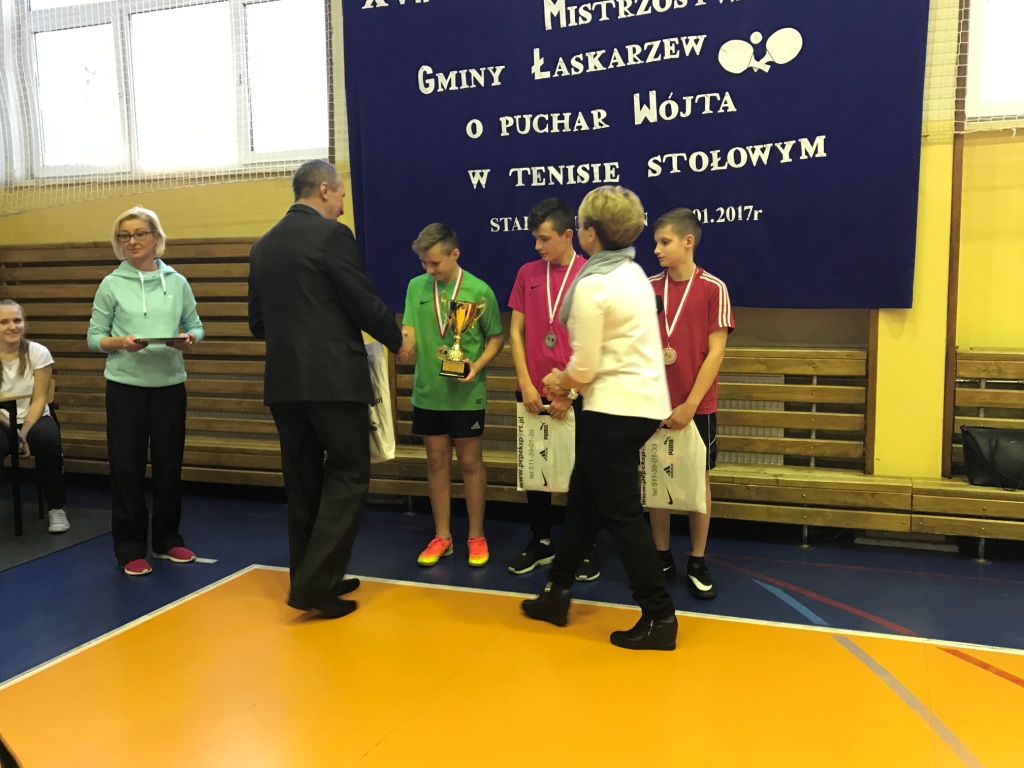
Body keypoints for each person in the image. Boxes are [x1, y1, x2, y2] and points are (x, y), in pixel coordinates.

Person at [521, 185, 677, 651]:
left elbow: (585, 367)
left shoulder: (593, 285)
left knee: (622, 513)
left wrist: (559, 380)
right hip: (638, 404)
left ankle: (659, 615)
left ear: (588, 233)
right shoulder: (631, 272)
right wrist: (572, 380)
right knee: (585, 498)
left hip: (614, 408)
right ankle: (557, 591)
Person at [248, 159, 402, 620]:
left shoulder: (263, 245)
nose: (342, 205)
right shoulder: (332, 236)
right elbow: (361, 300)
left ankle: (312, 576)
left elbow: (257, 323)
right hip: (333, 379)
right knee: (350, 472)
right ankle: (315, 584)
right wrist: (397, 340)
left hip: (284, 382)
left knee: (303, 482)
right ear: (323, 190)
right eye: (340, 195)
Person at [87, 206, 204, 576]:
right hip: (126, 389)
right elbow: (94, 338)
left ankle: (167, 540)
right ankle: (130, 548)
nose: (132, 241)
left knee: (169, 466)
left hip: (170, 387)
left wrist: (189, 339)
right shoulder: (111, 284)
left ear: (156, 238)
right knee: (127, 469)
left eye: (140, 233)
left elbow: (196, 326)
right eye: (125, 236)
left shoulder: (177, 282)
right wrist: (120, 342)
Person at [397, 223, 504, 568]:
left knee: (470, 463)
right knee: (436, 461)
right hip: (428, 392)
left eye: (435, 263)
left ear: (455, 254)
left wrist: (477, 366)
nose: (429, 269)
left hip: (465, 392)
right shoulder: (416, 287)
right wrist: (403, 347)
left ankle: (476, 535)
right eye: (423, 263)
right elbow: (409, 330)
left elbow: (496, 338)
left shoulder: (479, 290)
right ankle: (442, 535)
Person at [506, 198, 600, 581]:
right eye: (534, 238)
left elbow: (598, 342)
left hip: (579, 394)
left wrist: (570, 394)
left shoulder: (590, 275)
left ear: (567, 234)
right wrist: (527, 383)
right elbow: (516, 332)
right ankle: (541, 540)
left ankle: (585, 546)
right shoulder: (527, 273)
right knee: (537, 470)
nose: (537, 246)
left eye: (544, 238)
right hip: (533, 391)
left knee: (582, 474)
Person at [647, 208, 734, 599]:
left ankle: (697, 559)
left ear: (688, 241)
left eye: (664, 242)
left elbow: (716, 352)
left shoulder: (713, 288)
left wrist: (689, 404)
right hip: (653, 406)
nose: (657, 249)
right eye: (655, 242)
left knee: (698, 481)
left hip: (697, 406)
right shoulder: (648, 288)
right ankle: (661, 554)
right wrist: (652, 400)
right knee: (657, 478)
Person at [0, 300, 69, 534]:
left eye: (16, 320)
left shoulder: (38, 352)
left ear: (24, 323)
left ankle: (56, 508)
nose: (12, 326)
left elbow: (40, 399)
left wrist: (23, 433)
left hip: (33, 418)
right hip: (2, 421)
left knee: (48, 439)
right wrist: (13, 432)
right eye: (4, 322)